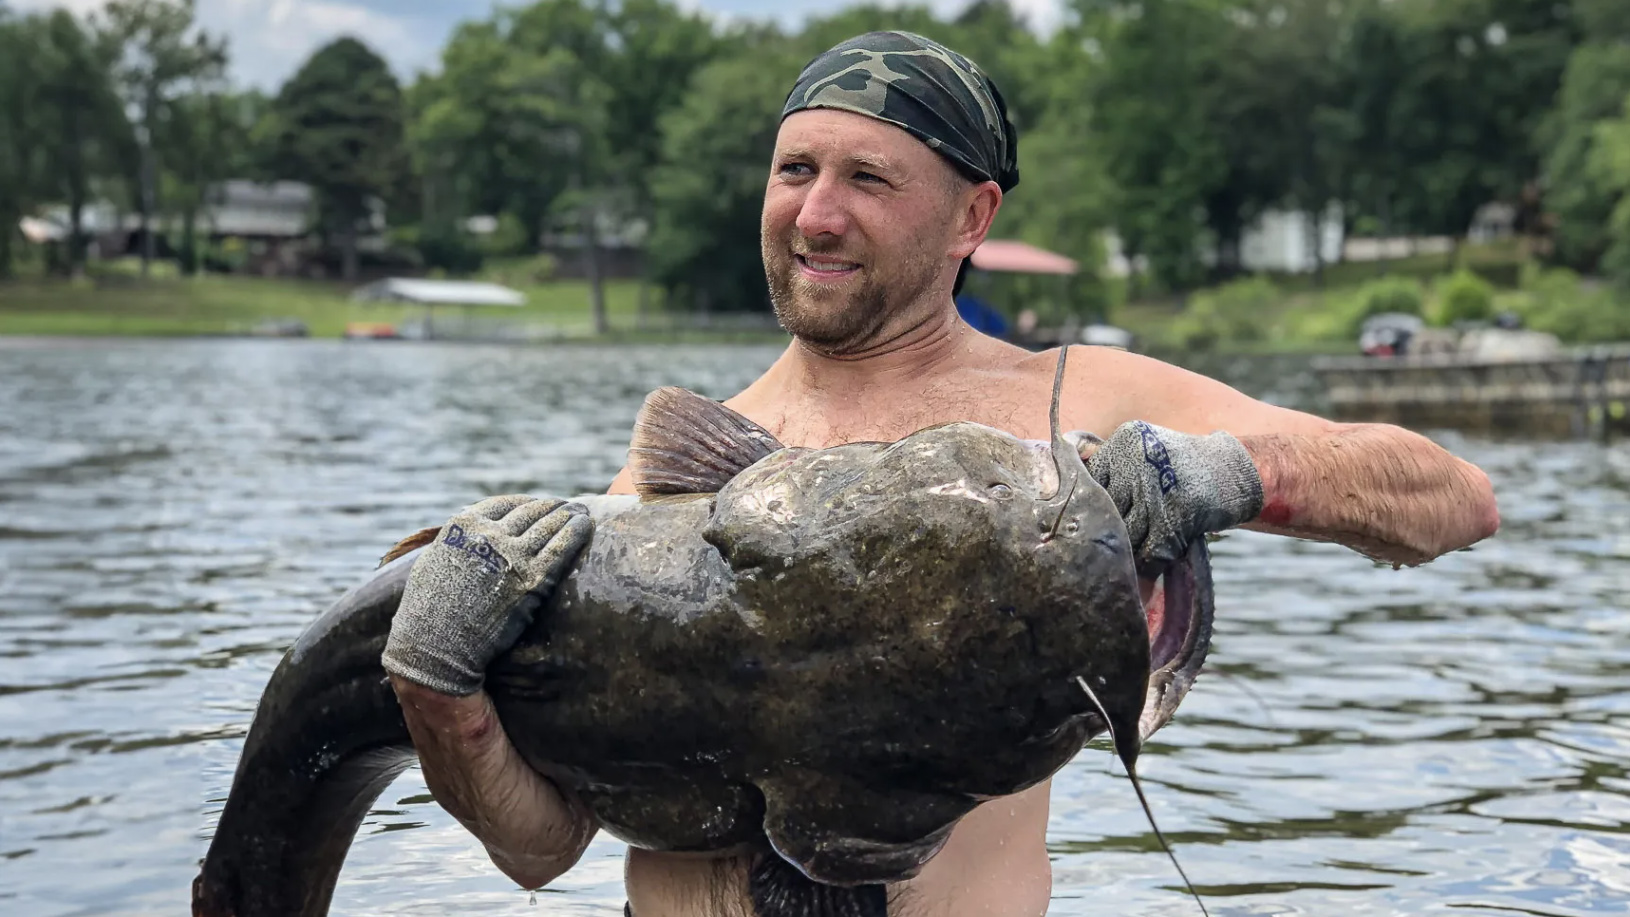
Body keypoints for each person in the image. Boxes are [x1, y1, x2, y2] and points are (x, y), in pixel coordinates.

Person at [380, 31, 1500, 917]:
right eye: (795, 170)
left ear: (974, 215)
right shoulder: (678, 465)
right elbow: (538, 848)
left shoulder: (1073, 400)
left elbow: (1450, 497)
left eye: (869, 176)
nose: (817, 213)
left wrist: (1223, 471)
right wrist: (441, 689)